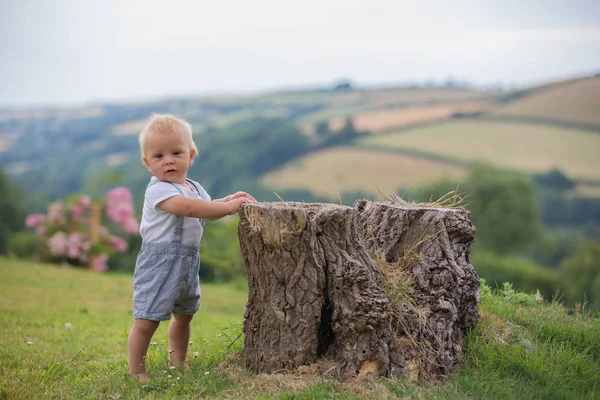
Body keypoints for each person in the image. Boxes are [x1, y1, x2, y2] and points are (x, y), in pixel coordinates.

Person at [128, 114, 256, 381]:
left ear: (191, 155)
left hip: (187, 261)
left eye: (176, 152)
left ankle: (179, 360)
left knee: (184, 314)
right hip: (159, 262)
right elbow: (188, 209)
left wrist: (228, 200)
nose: (169, 160)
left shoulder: (193, 188)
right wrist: (228, 208)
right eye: (159, 156)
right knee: (147, 318)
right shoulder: (158, 190)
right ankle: (137, 370)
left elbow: (206, 211)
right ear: (147, 163)